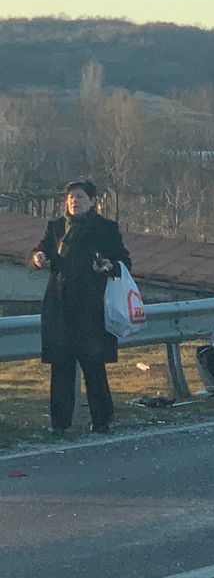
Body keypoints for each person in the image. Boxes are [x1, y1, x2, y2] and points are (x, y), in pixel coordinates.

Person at [28, 180, 132, 434]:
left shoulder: (105, 229)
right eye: (71, 197)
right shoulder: (56, 228)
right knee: (61, 369)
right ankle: (60, 424)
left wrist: (108, 266)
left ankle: (102, 421)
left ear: (93, 201)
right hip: (60, 308)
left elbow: (124, 261)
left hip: (92, 308)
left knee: (93, 367)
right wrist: (37, 258)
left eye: (81, 197)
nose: (75, 201)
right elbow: (40, 251)